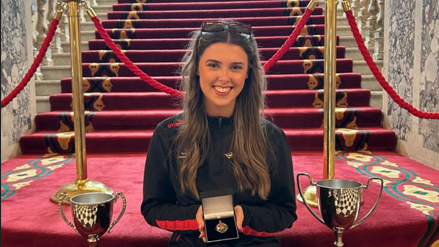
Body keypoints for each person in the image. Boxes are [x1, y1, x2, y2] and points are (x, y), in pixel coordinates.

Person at [141, 20, 297, 247]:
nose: (224, 77)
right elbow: (153, 208)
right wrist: (195, 216)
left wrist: (245, 216)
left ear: (247, 73)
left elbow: (284, 212)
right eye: (213, 65)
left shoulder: (272, 137)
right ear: (196, 68)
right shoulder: (168, 134)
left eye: (235, 67)